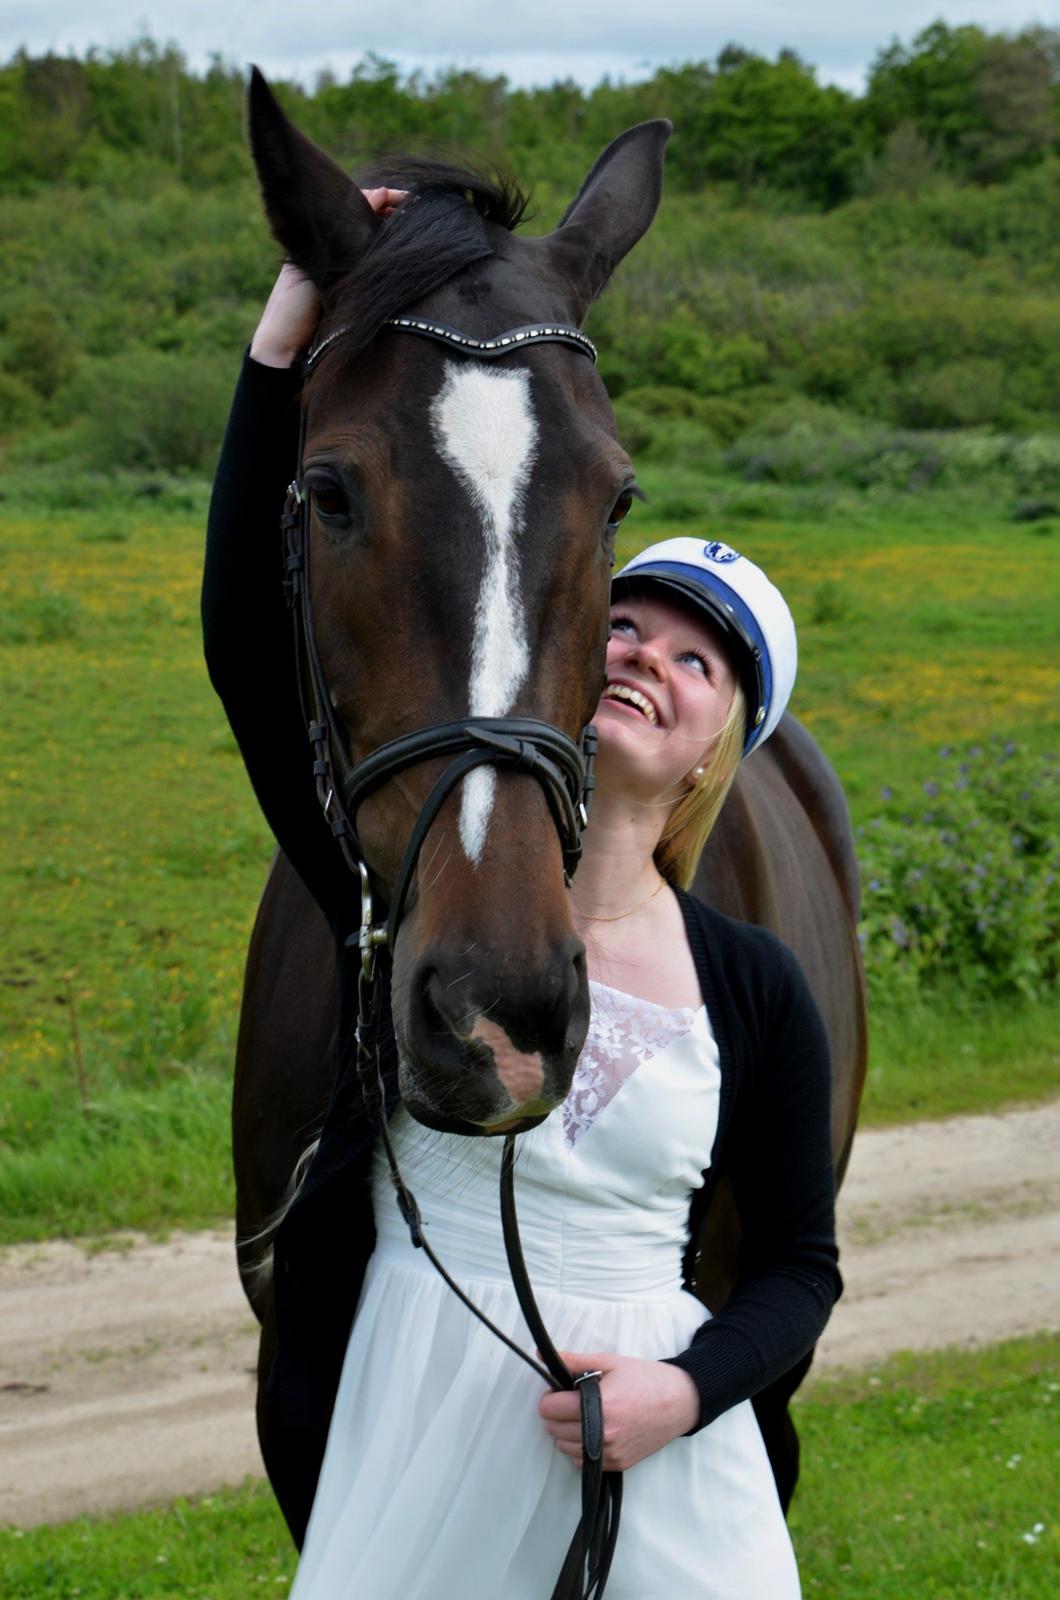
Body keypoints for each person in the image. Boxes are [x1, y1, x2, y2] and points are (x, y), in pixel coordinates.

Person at [204, 230, 840, 1599]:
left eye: (700, 660)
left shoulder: (752, 986)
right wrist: (279, 354)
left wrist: (685, 1393)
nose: (647, 660)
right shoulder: (382, 898)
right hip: (418, 1443)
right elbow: (247, 651)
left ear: (725, 742)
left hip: (659, 1466)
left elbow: (797, 1266)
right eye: (628, 623)